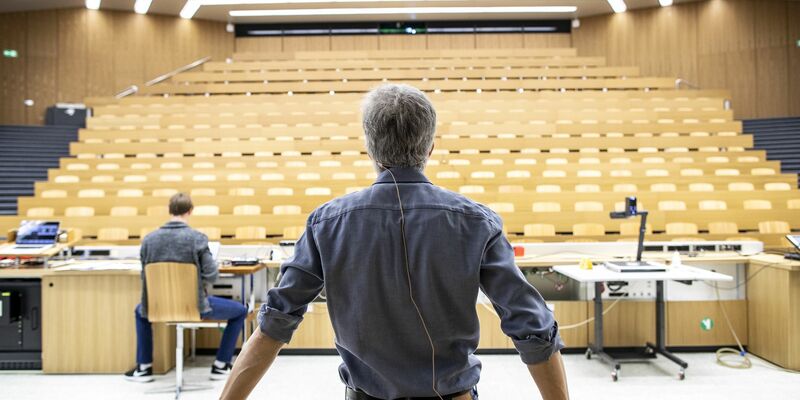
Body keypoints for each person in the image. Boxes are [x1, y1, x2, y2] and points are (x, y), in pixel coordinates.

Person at [220, 84, 569, 400]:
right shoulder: (477, 222)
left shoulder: (326, 223)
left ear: (369, 148)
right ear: (430, 147)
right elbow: (533, 329)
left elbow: (273, 324)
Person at [124, 193, 248, 383]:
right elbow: (212, 275)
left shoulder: (148, 240)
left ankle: (144, 368)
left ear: (169, 210)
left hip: (158, 307)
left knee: (140, 311)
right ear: (190, 211)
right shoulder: (197, 239)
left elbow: (145, 276)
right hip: (194, 307)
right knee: (240, 311)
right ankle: (221, 365)